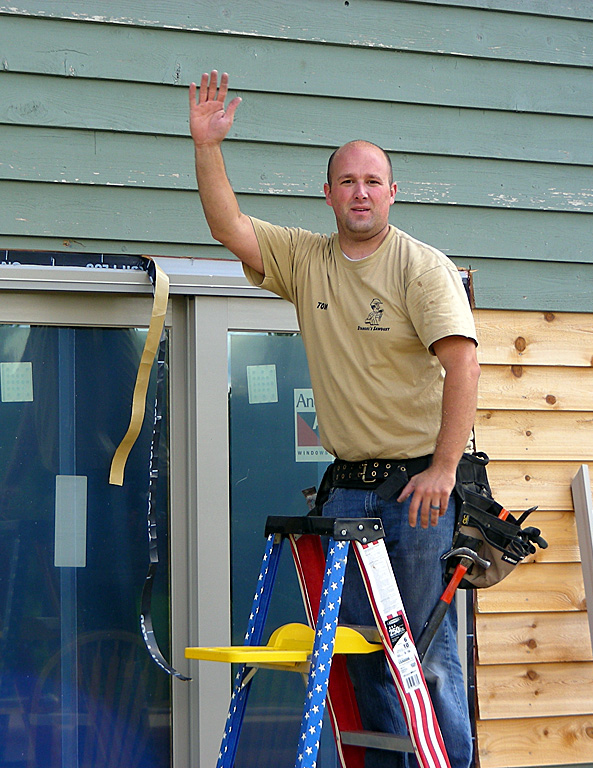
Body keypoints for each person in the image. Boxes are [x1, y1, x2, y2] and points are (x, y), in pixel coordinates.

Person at [189, 70, 480, 768]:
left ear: (392, 192)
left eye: (372, 181)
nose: (359, 192)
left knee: (422, 653)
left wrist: (444, 468)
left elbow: (463, 363)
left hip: (417, 488)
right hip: (347, 487)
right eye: (346, 181)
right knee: (357, 658)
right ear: (328, 194)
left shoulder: (421, 268)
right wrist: (206, 147)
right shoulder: (307, 259)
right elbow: (230, 226)